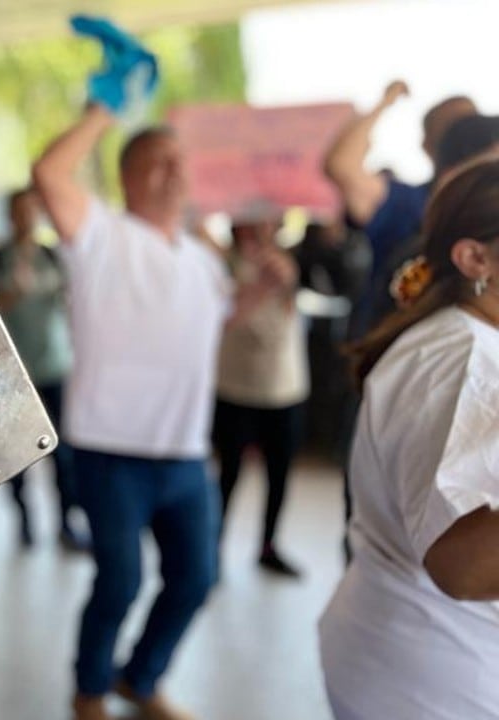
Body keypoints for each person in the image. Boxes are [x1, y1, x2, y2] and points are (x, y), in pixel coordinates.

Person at [31, 18, 293, 720]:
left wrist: (259, 292)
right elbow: (50, 174)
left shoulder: (203, 258)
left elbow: (216, 320)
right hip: (110, 448)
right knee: (118, 582)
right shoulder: (102, 236)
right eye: (157, 159)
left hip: (183, 452)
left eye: (181, 160)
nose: (175, 169)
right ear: (127, 175)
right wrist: (106, 108)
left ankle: (139, 681)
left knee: (195, 579)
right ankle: (90, 688)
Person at [319, 154, 499, 720]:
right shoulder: (465, 359)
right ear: (475, 258)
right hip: (442, 681)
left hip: (401, 655)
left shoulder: (458, 341)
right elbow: (463, 565)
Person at [323, 81, 476, 340]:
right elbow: (342, 166)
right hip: (388, 356)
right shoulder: (409, 203)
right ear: (427, 144)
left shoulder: (487, 213)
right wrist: (386, 101)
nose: (469, 137)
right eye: (456, 130)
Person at [0, 188, 85, 551]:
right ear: (10, 215)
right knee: (15, 456)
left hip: (54, 368)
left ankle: (67, 523)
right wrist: (12, 295)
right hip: (10, 373)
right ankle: (25, 522)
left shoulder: (53, 258)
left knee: (64, 456)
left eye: (32, 211)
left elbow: (73, 306)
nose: (27, 218)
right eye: (19, 211)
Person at [212, 212, 308, 578]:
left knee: (279, 474)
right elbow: (225, 316)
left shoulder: (289, 261)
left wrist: (284, 278)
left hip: (284, 386)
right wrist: (263, 285)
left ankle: (268, 545)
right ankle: (214, 547)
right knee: (228, 474)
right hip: (236, 385)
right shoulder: (222, 261)